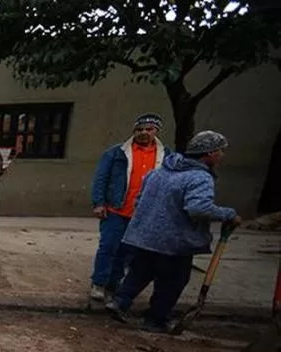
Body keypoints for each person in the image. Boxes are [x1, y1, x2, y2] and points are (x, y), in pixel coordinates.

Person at [105, 131, 241, 333]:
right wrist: (228, 214)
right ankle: (156, 319)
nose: (222, 155)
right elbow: (198, 208)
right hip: (173, 241)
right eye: (220, 151)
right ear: (210, 153)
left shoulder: (159, 172)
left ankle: (120, 302)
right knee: (172, 281)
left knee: (140, 271)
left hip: (144, 235)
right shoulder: (199, 177)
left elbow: (139, 201)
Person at [89, 113, 169, 301]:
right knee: (108, 247)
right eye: (139, 129)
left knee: (127, 253)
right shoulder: (116, 153)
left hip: (143, 214)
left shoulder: (166, 156)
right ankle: (99, 283)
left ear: (156, 131)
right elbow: (101, 178)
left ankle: (113, 285)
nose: (143, 133)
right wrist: (99, 203)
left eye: (148, 129)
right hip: (116, 209)